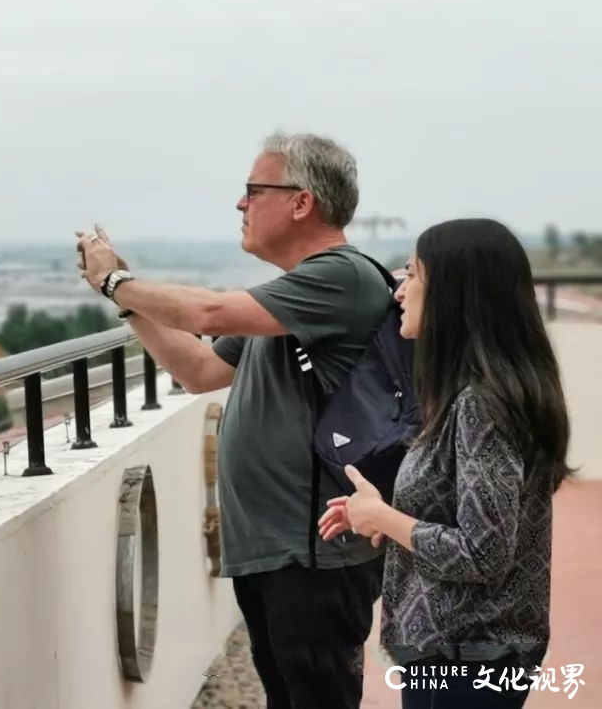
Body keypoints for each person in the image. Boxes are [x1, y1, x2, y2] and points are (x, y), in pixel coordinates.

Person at [76, 132, 393, 709]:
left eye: (253, 190)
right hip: (276, 550)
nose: (241, 204)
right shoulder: (293, 299)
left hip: (314, 554)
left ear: (302, 202)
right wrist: (129, 302)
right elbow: (198, 368)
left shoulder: (341, 278)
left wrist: (113, 281)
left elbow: (206, 311)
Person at [318, 218, 571, 708]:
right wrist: (380, 514)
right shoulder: (483, 395)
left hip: (465, 659)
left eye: (412, 275)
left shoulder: (480, 406)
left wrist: (386, 519)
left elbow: (483, 552)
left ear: (453, 296)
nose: (399, 292)